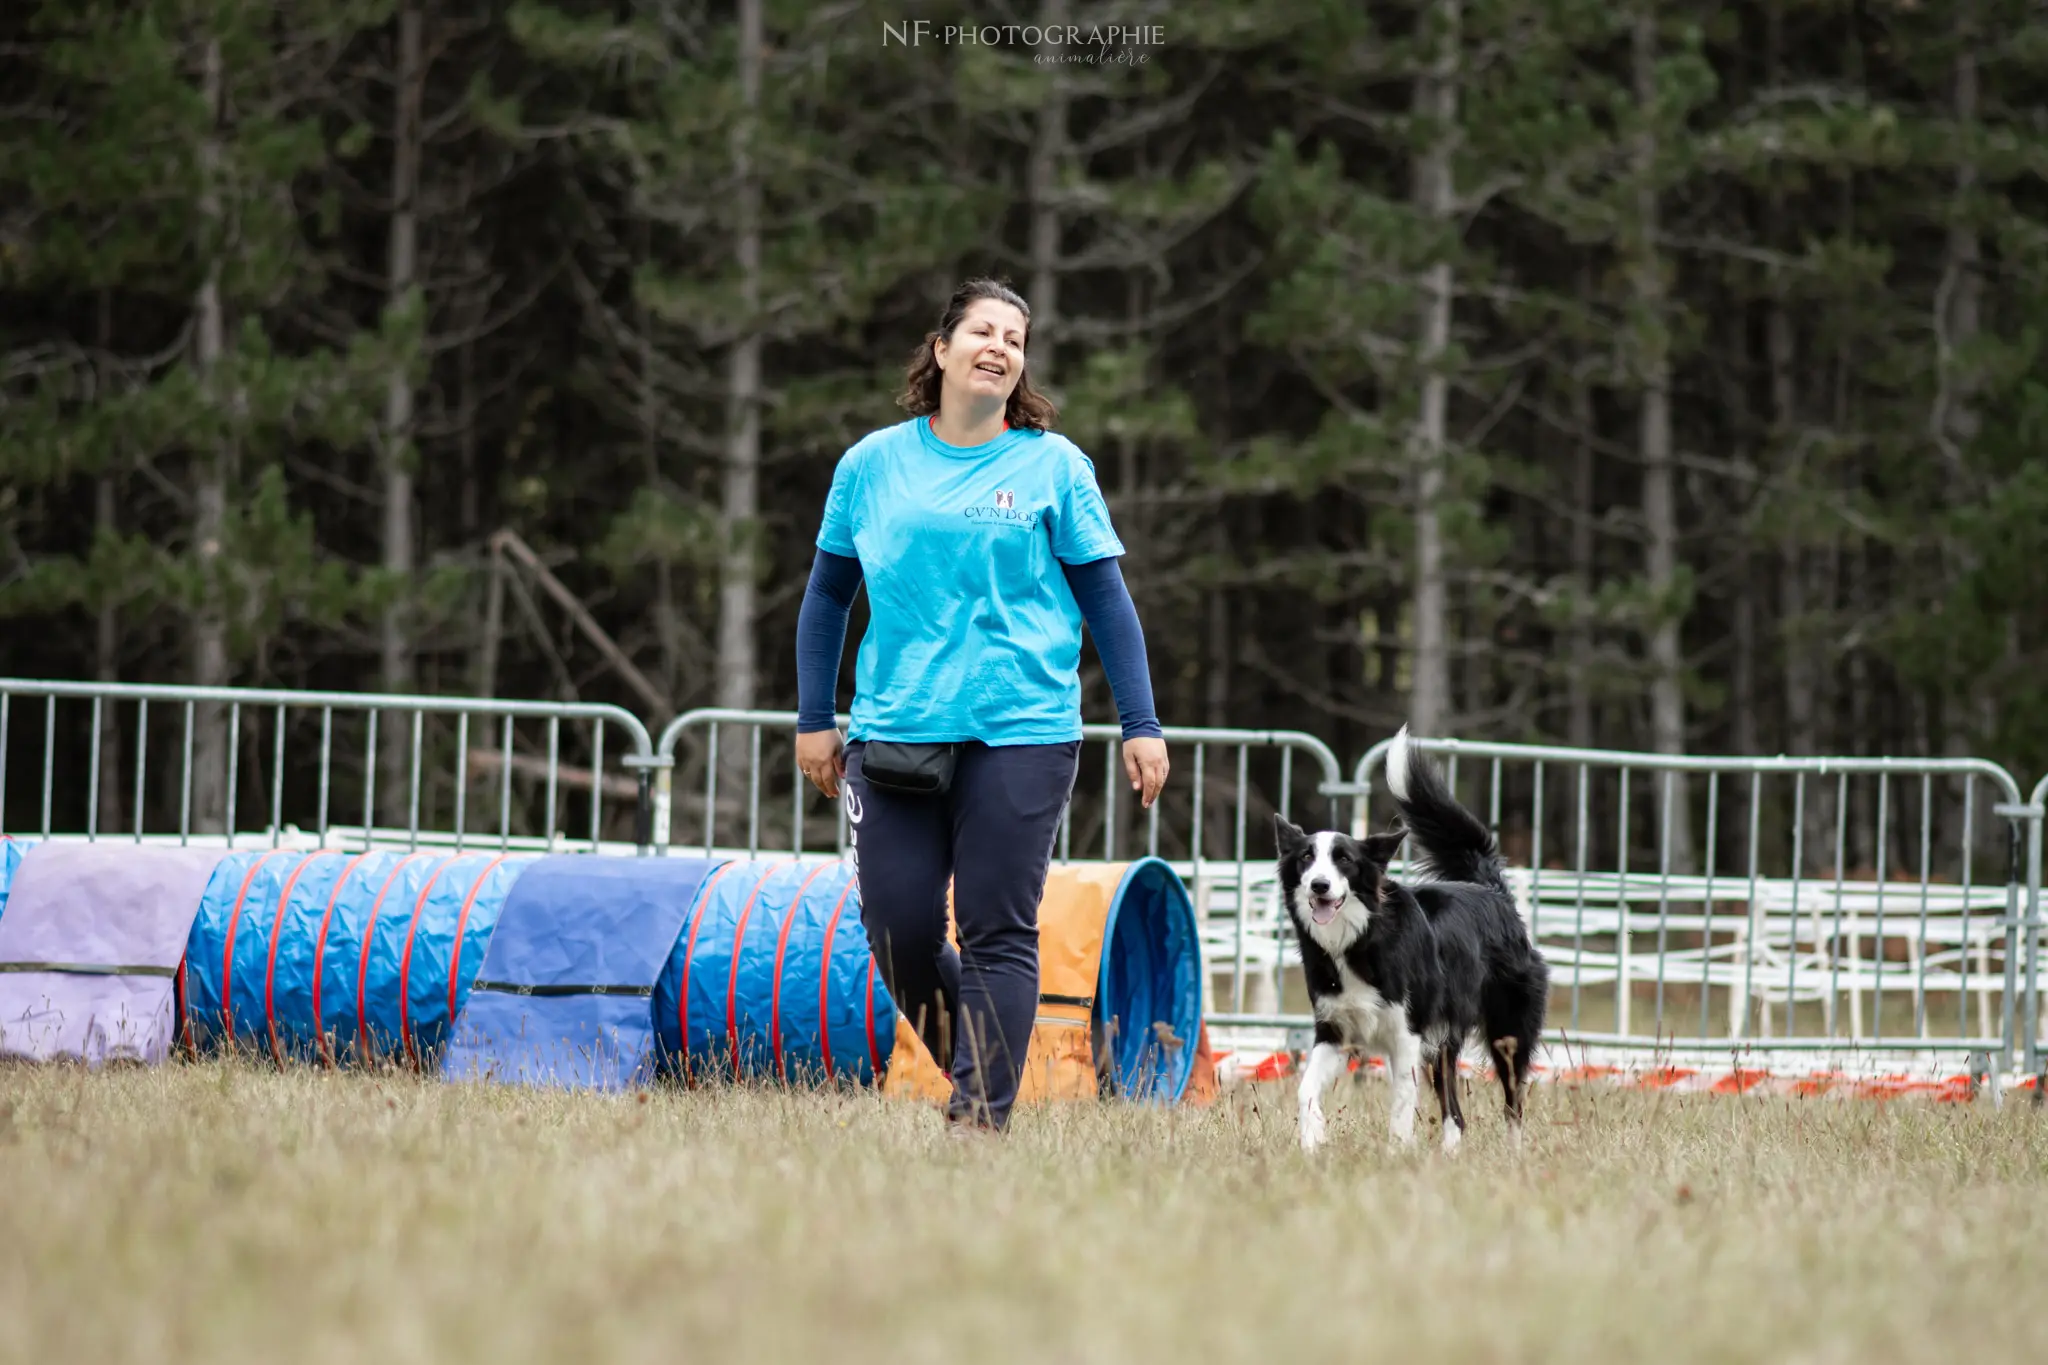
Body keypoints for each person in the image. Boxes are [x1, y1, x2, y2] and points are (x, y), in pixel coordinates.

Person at [793, 277, 1169, 1134]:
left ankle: (978, 1116)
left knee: (1001, 927)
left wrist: (1140, 723)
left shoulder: (1054, 466)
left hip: (1022, 731)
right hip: (894, 731)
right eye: (983, 331)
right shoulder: (871, 465)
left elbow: (1109, 603)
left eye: (1016, 337)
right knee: (898, 927)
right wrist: (817, 717)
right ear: (942, 348)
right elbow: (825, 601)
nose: (1000, 345)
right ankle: (986, 1058)